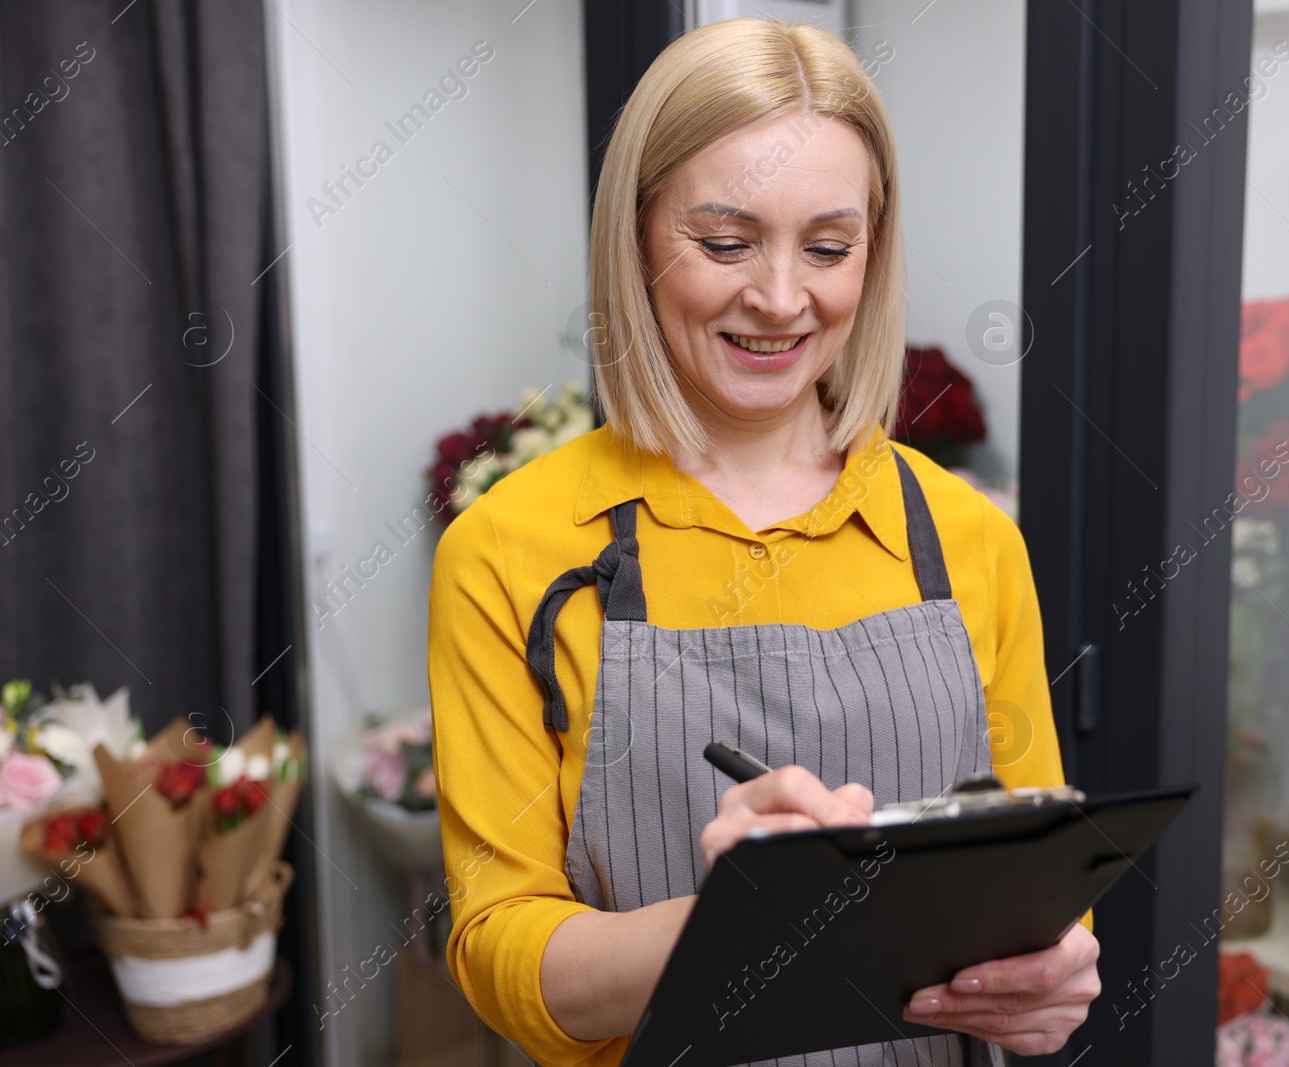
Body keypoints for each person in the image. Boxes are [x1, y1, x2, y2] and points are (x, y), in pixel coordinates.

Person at [427, 16, 1100, 1067]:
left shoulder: (967, 536)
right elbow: (496, 947)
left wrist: (1052, 979)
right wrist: (732, 924)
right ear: (637, 234)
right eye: (726, 242)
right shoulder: (508, 550)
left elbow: (1034, 883)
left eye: (829, 246)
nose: (782, 298)